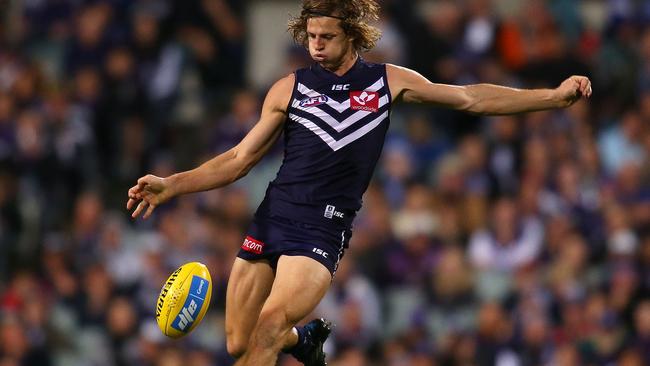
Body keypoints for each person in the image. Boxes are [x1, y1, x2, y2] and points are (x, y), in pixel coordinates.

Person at [127, 1, 592, 365]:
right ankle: (303, 341)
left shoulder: (387, 82)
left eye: (326, 36)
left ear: (352, 34)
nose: (316, 46)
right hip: (273, 217)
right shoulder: (289, 88)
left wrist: (551, 97)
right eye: (310, 36)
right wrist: (173, 184)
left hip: (321, 229)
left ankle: (289, 335)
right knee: (237, 343)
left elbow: (470, 98)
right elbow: (239, 158)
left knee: (267, 327)